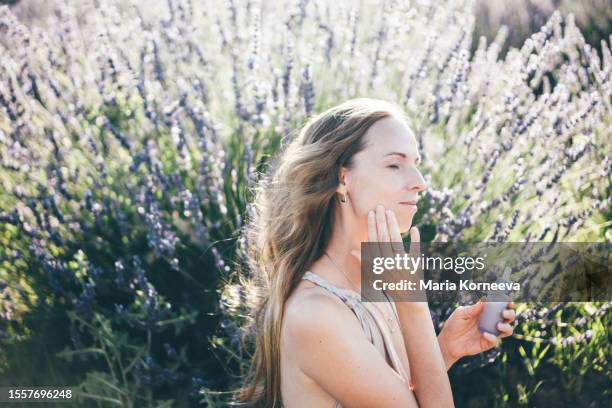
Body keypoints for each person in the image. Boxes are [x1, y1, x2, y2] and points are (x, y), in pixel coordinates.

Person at [235, 98, 516, 407]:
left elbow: (401, 395)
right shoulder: (316, 313)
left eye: (416, 165)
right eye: (394, 165)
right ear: (343, 179)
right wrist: (412, 305)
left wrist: (446, 348)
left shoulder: (371, 284)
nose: (420, 183)